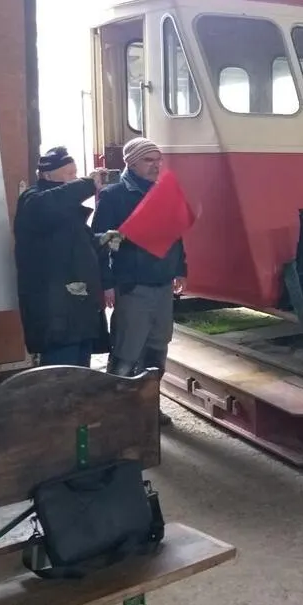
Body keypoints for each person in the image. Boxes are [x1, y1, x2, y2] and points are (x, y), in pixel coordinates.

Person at [92, 137, 187, 426]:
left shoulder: (164, 193)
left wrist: (180, 268)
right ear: (131, 163)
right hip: (132, 285)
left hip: (162, 284)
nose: (156, 166)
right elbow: (99, 243)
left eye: (158, 160)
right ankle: (114, 416)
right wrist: (107, 283)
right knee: (127, 351)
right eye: (148, 160)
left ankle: (148, 409)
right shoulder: (114, 196)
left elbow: (176, 234)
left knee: (157, 350)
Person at [14, 146, 108, 367]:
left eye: (76, 173)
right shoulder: (33, 200)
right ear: (47, 175)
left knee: (81, 370)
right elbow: (49, 206)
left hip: (79, 304)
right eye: (69, 173)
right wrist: (87, 184)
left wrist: (104, 239)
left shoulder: (66, 207)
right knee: (60, 373)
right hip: (55, 306)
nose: (74, 178)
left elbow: (78, 244)